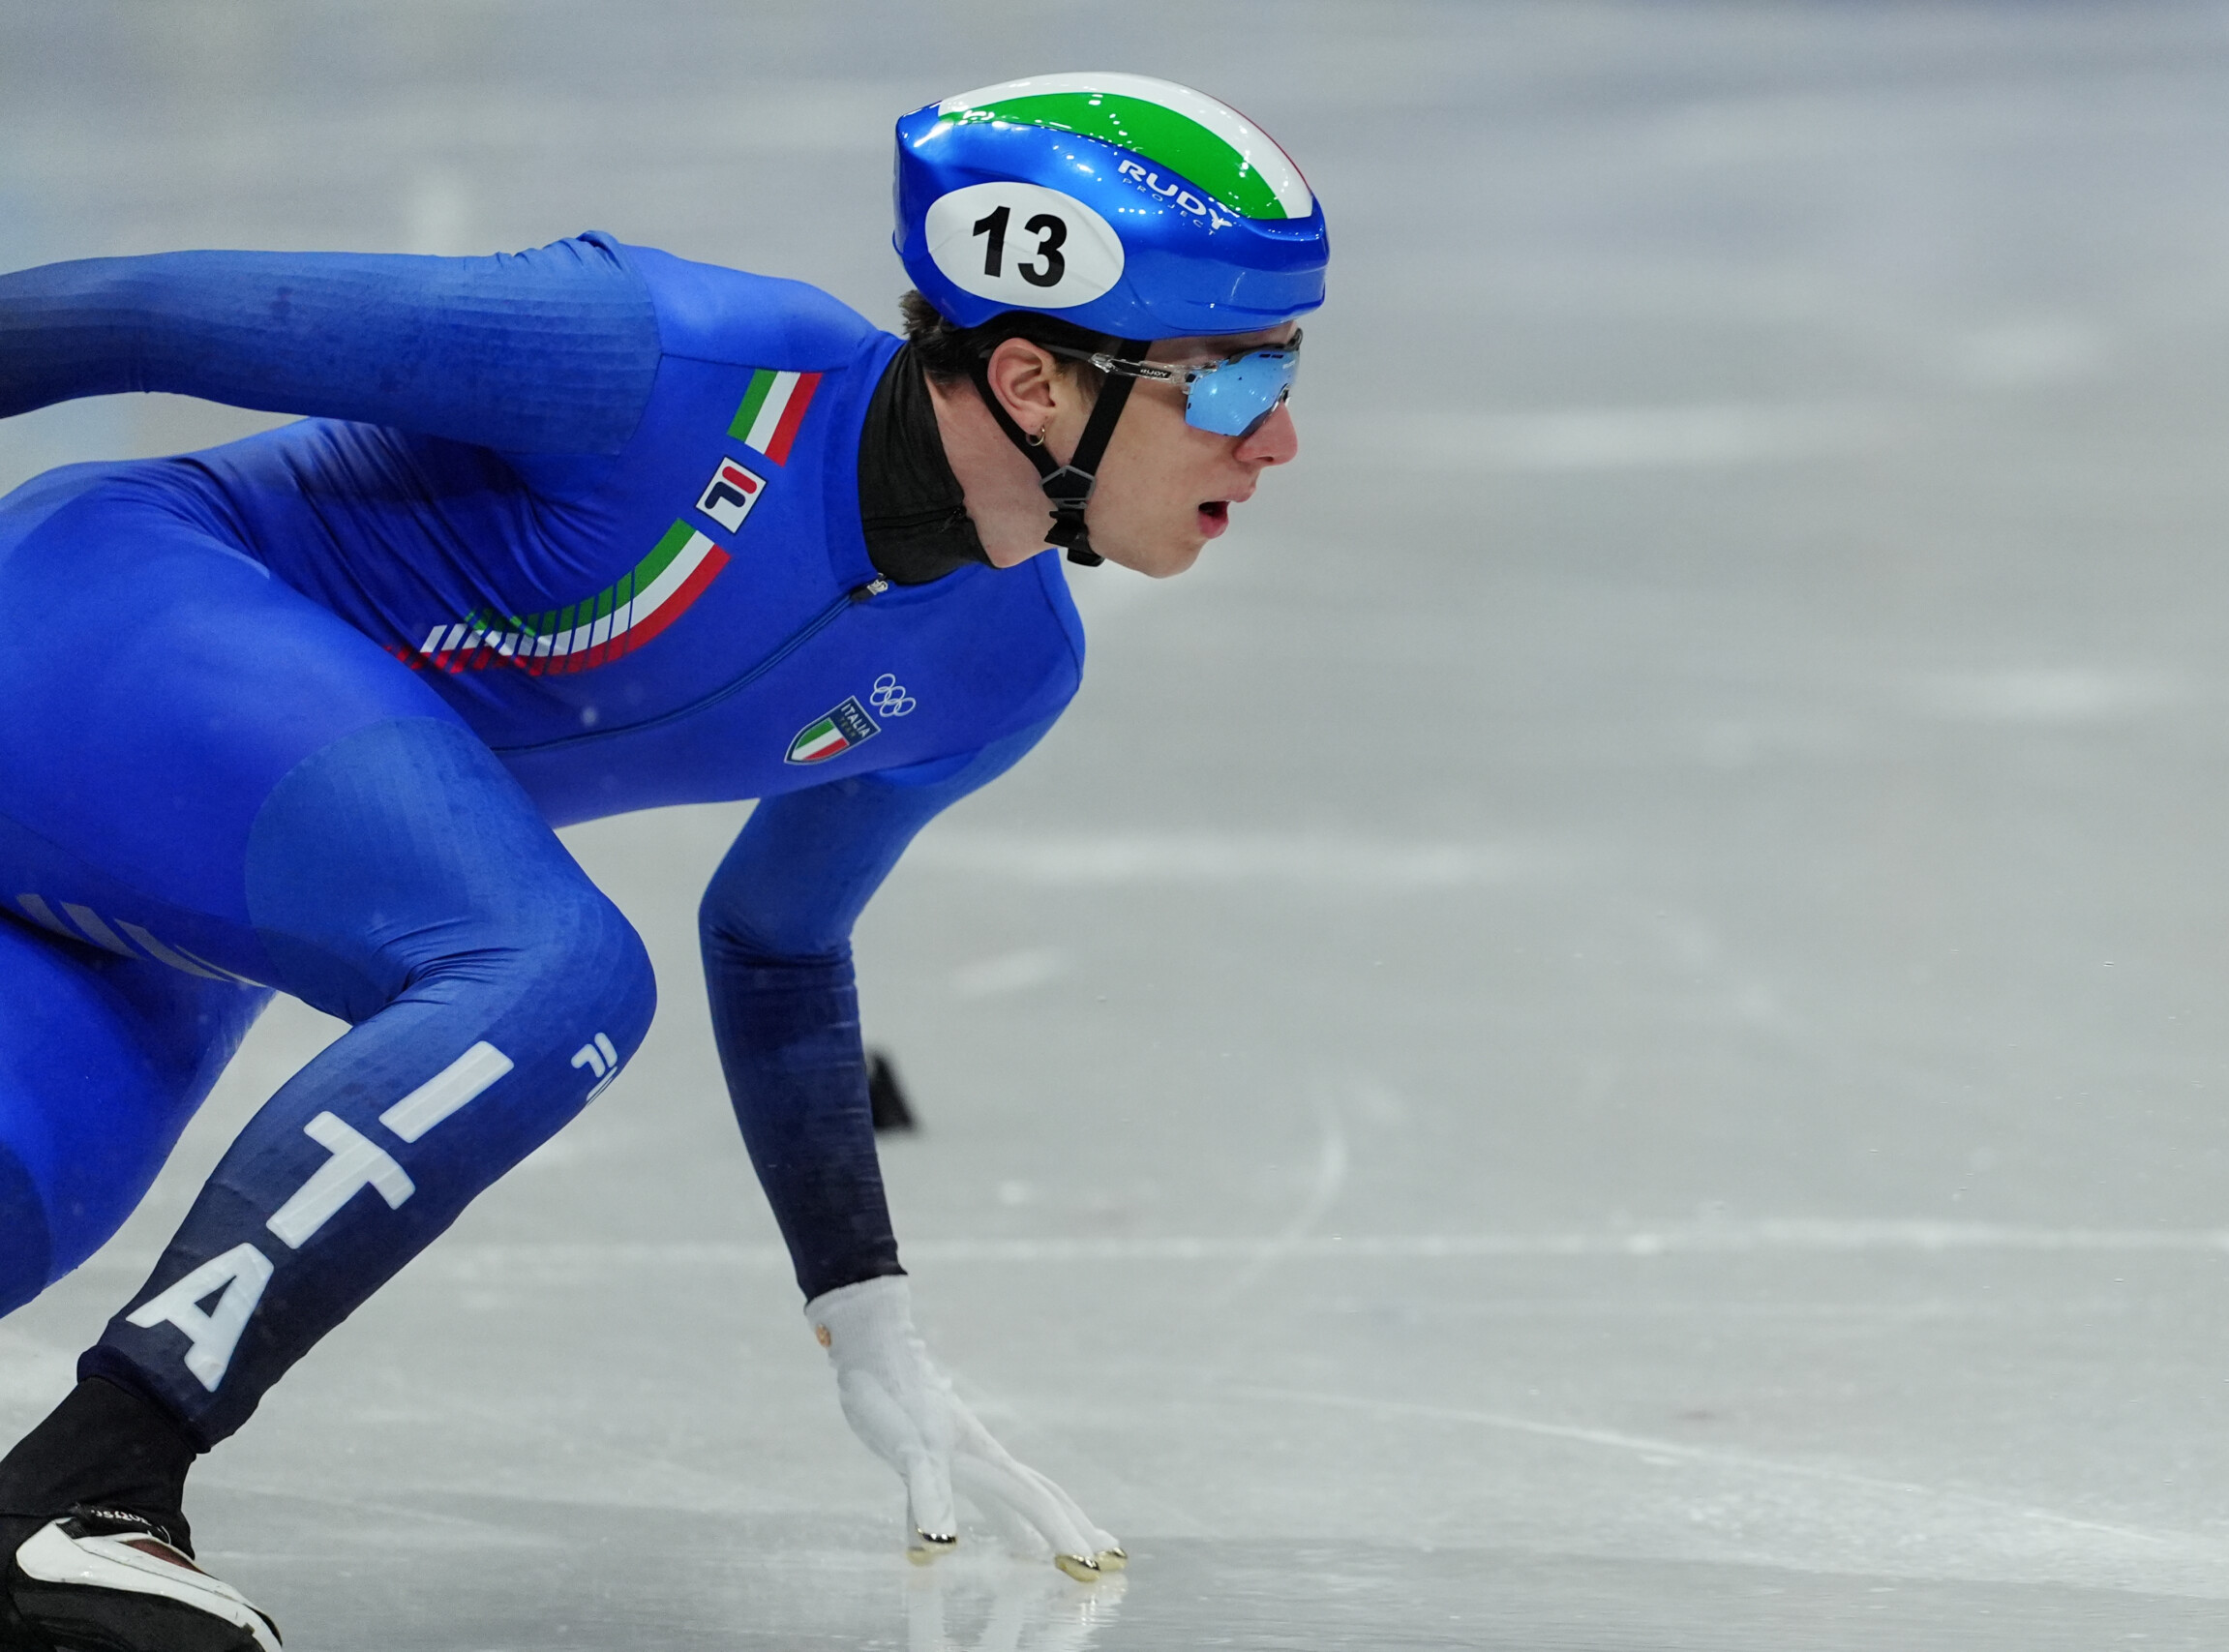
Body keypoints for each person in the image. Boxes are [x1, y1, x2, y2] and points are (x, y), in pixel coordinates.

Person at [0, 71, 1324, 1652]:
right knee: (550, 973)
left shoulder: (1002, 669)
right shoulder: (668, 356)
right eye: (1236, 384)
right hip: (93, 621)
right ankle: (89, 1493)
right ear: (1035, 381)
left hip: (169, 882)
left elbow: (776, 943)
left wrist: (863, 1307)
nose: (1285, 438)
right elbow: (132, 316)